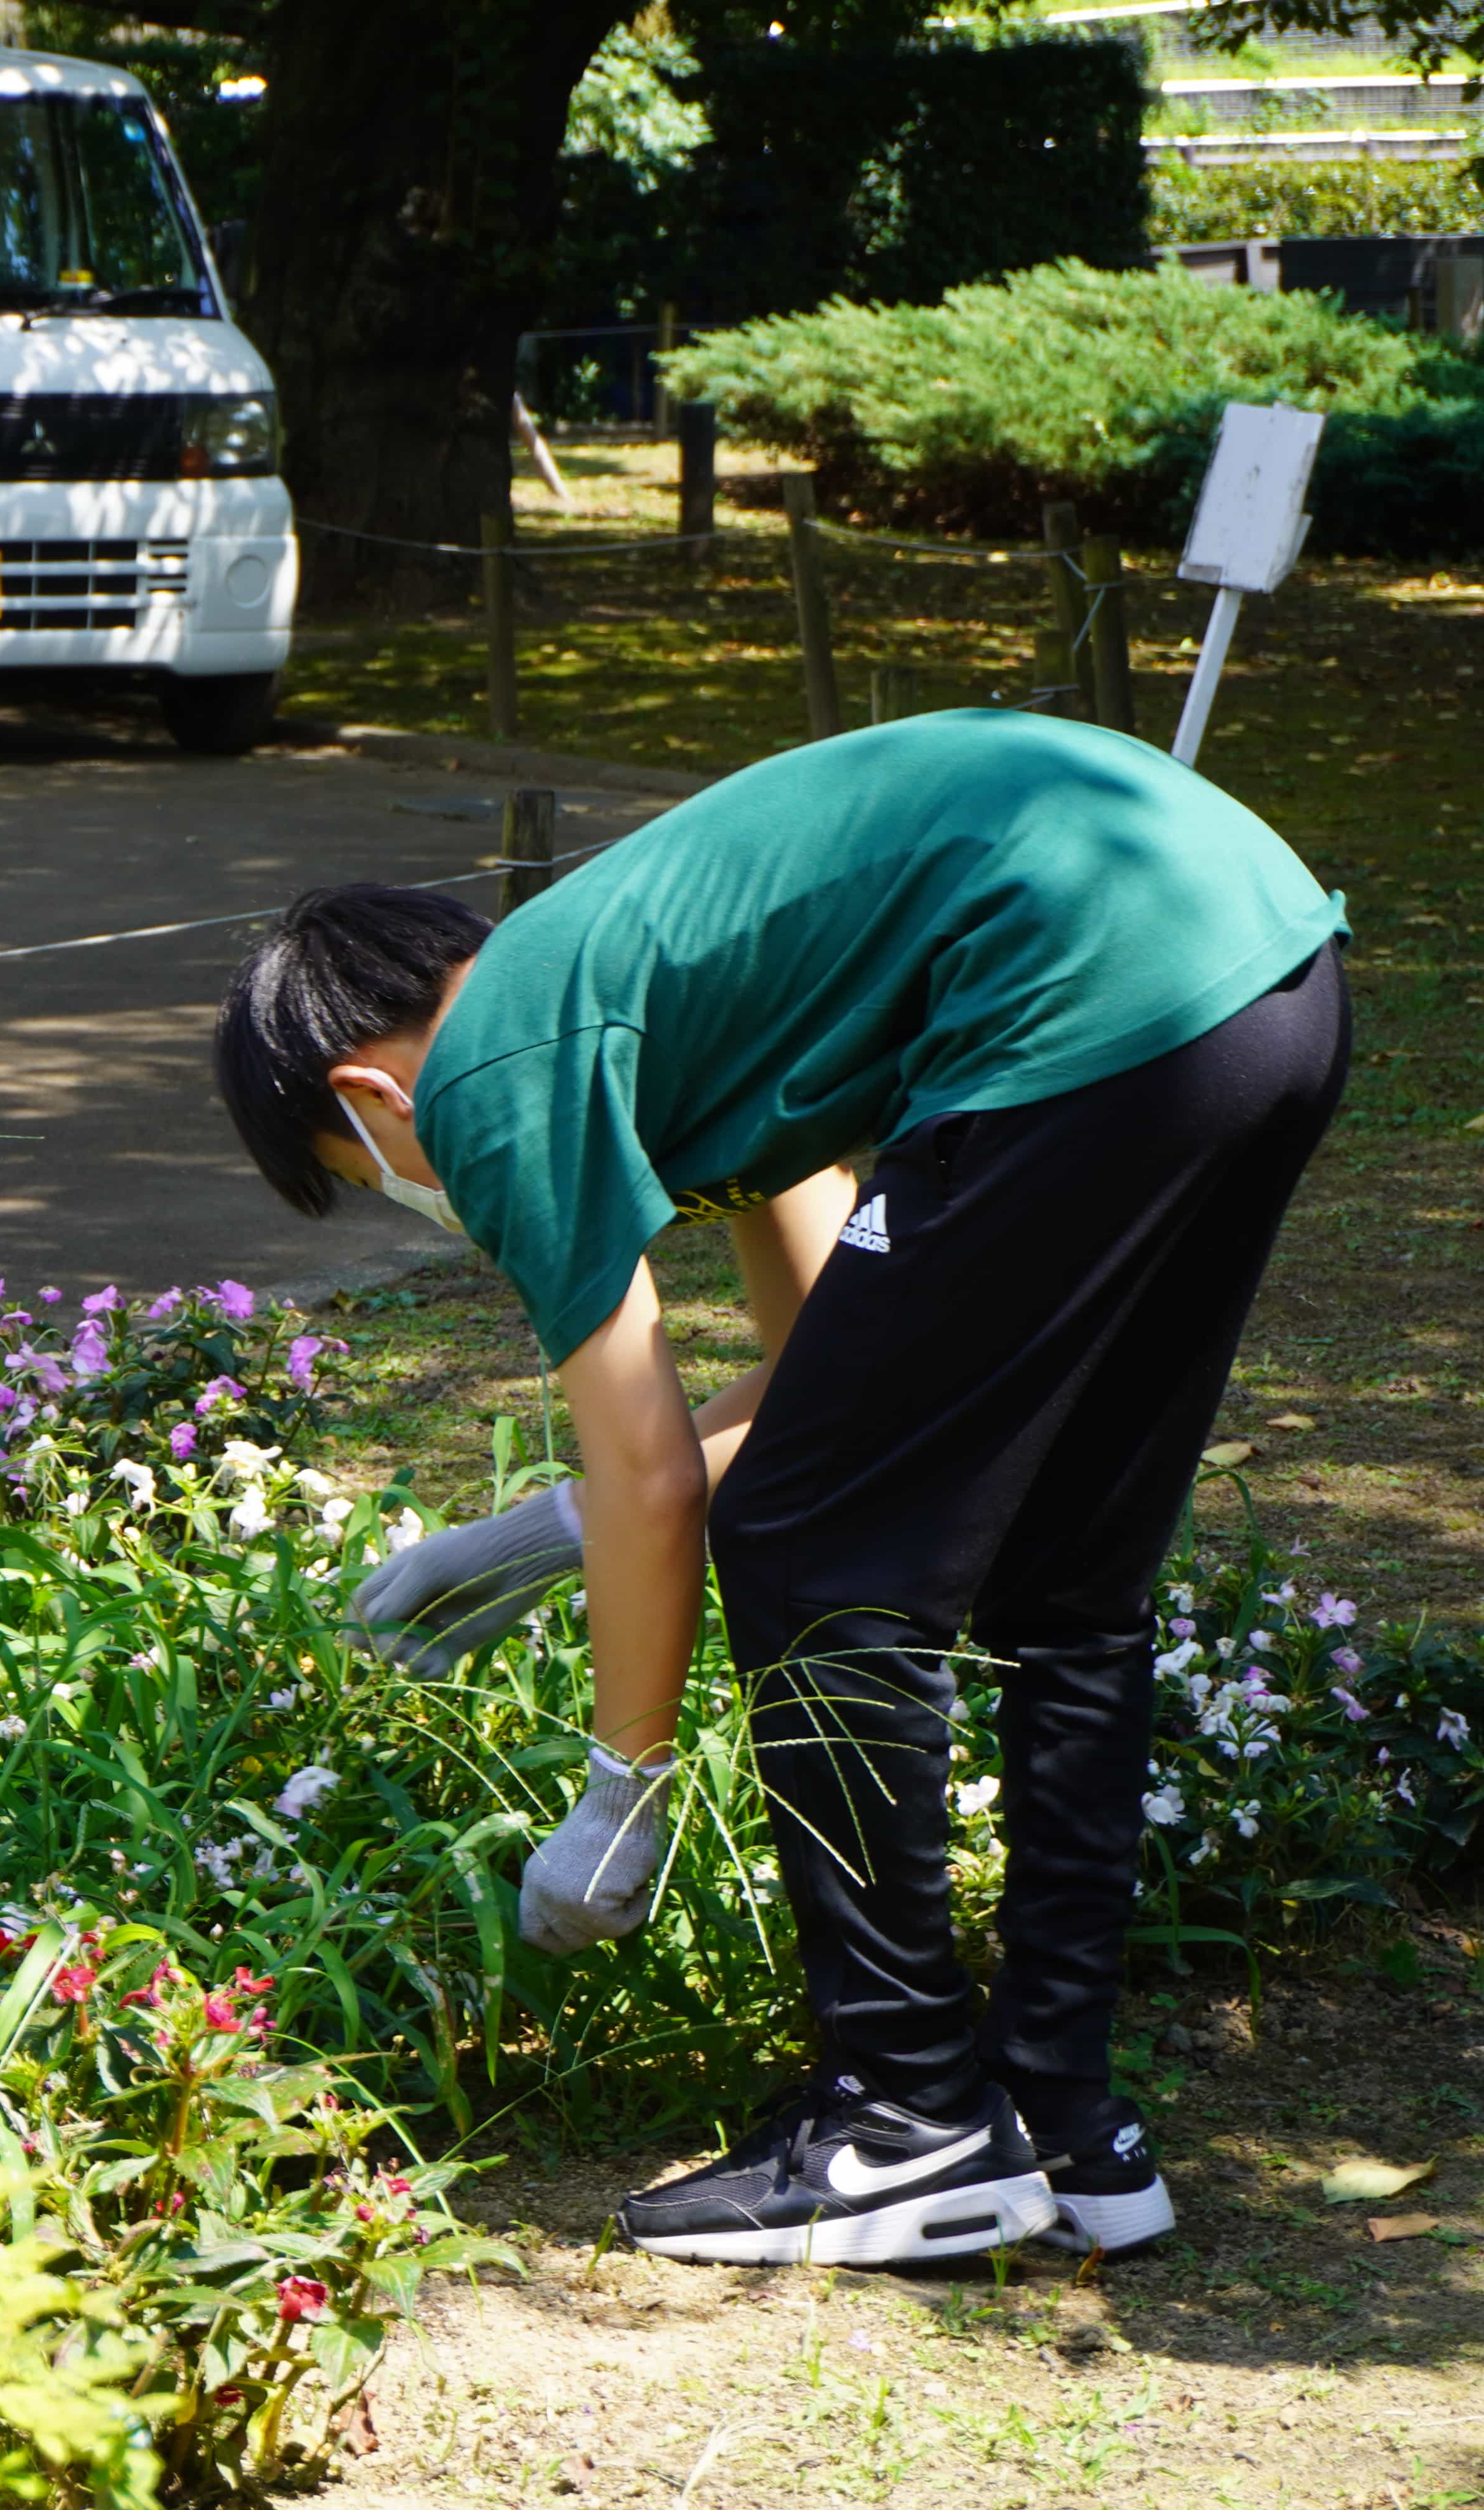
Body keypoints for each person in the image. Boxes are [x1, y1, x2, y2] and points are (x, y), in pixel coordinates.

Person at [210, 709, 1348, 2270]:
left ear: (368, 1095)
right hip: (1253, 972)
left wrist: (623, 1788)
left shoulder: (491, 1073)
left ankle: (904, 2117)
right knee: (1063, 1580)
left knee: (817, 1549)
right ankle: (1064, 2118)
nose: (428, 1195)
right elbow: (837, 1374)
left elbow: (674, 1473)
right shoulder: (669, 1003)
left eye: (367, 1178)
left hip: (1085, 995)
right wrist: (563, 1529)